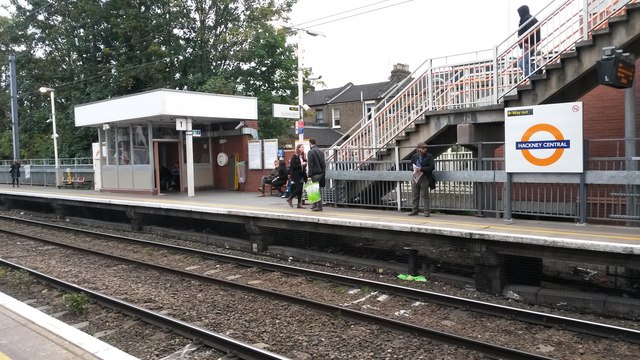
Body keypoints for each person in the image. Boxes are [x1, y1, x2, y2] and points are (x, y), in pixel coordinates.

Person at [408, 143, 435, 217]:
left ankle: (426, 211)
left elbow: (432, 167)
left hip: (424, 177)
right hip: (416, 177)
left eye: (425, 148)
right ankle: (414, 210)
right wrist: (414, 169)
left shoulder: (429, 156)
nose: (424, 149)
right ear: (419, 149)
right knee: (415, 194)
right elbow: (410, 166)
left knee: (425, 195)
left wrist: (421, 169)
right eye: (423, 148)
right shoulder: (415, 156)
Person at [516, 5, 541, 77]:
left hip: (529, 44)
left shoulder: (526, 19)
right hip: (530, 43)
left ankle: (534, 78)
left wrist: (526, 43)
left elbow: (529, 32)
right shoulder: (530, 18)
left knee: (522, 63)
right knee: (526, 62)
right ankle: (538, 70)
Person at [306, 138, 326, 212]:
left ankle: (319, 207)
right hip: (321, 173)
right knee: (314, 189)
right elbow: (323, 164)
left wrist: (309, 175)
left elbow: (310, 164)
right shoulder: (321, 151)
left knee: (314, 190)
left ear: (310, 143)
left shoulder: (310, 152)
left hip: (314, 173)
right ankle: (314, 205)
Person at [286, 144, 307, 209]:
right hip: (296, 175)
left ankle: (299, 204)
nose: (303, 148)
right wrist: (301, 164)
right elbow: (292, 166)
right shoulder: (294, 156)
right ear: (298, 148)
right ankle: (290, 198)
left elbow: (304, 165)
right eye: (302, 147)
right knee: (299, 188)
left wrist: (305, 163)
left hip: (302, 174)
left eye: (303, 147)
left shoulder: (302, 156)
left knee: (301, 190)